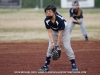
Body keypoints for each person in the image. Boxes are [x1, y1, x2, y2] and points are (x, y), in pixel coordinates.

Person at [38, 5, 78, 72]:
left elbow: (60, 34)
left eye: (50, 12)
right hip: (54, 31)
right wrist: (53, 42)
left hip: (64, 31)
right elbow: (49, 32)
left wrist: (58, 46)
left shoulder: (60, 20)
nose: (48, 13)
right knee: (50, 47)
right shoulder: (46, 20)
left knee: (67, 47)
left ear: (54, 12)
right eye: (47, 12)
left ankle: (73, 65)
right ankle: (46, 66)